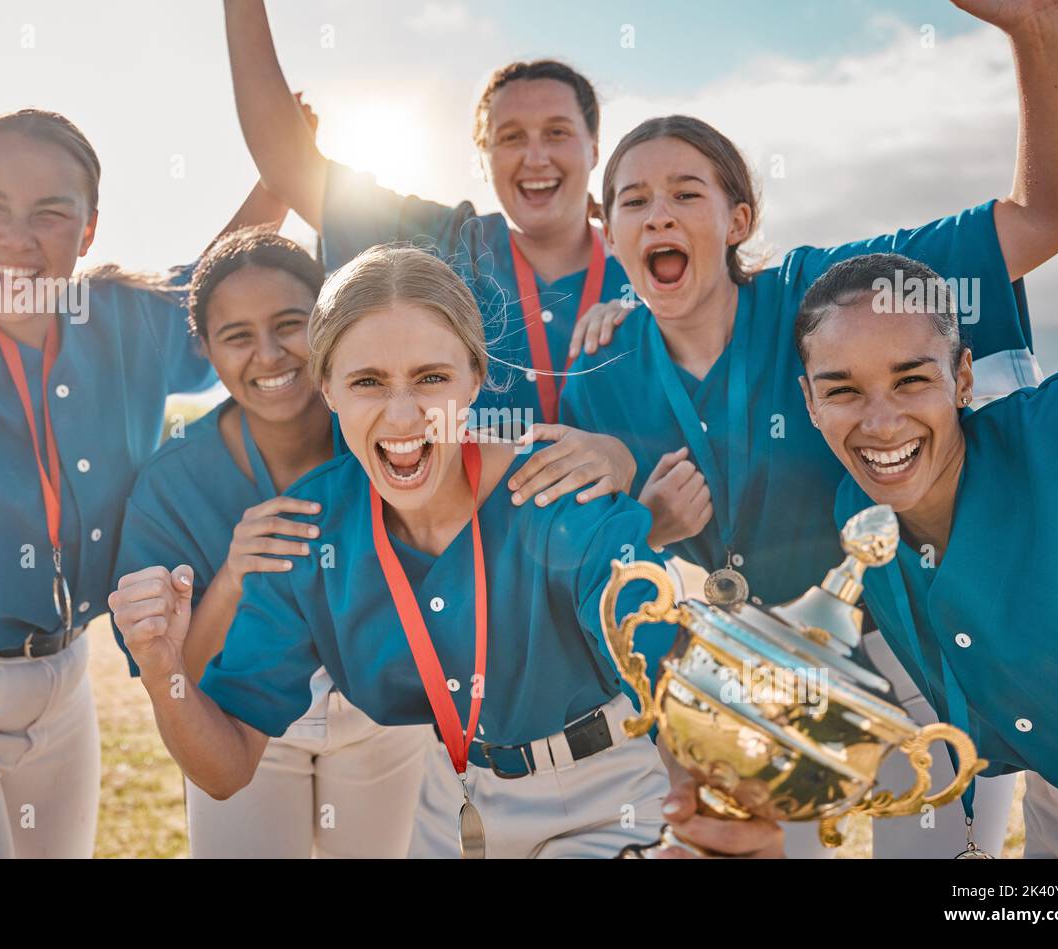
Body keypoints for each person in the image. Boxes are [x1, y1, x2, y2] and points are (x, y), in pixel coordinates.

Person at [558, 0, 1058, 854]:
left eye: (685, 193)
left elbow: (1054, 214)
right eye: (633, 201)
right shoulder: (595, 367)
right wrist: (636, 504)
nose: (658, 214)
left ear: (737, 222)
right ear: (610, 235)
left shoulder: (832, 298)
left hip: (889, 666)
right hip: (731, 685)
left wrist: (1036, 27)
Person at [112, 244, 784, 858]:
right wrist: (164, 666)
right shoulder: (309, 531)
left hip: (607, 796)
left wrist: (705, 803)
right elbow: (226, 768)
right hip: (455, 799)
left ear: (475, 376)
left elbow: (667, 668)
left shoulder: (558, 492)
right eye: (368, 381)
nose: (403, 416)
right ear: (328, 389)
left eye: (431, 377)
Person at [0, 108, 285, 858]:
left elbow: (220, 281)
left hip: (64, 691)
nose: (17, 237)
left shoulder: (129, 322)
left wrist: (280, 177)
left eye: (50, 211)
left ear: (90, 227)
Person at [218, 0, 640, 510]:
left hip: (602, 562)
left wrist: (628, 464)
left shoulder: (649, 281)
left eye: (557, 132)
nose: (535, 157)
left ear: (594, 147)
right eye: (510, 138)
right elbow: (290, 164)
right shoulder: (447, 243)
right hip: (455, 568)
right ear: (482, 159)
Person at [109, 228, 431, 857]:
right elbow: (185, 675)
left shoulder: (392, 431)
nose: (269, 355)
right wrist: (233, 575)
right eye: (236, 336)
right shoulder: (172, 482)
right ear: (203, 348)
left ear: (329, 324)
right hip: (237, 720)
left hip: (385, 720)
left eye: (291, 324)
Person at [796, 252, 1058, 858]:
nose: (882, 422)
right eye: (841, 390)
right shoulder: (857, 510)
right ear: (811, 402)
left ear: (964, 378)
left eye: (912, 379)